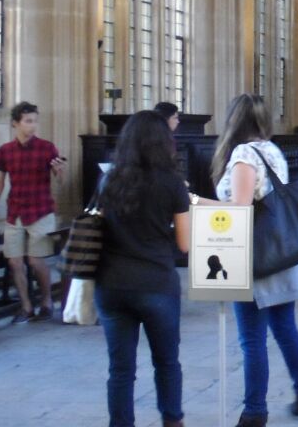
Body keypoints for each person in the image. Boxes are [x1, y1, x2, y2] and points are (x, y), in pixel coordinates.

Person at [211, 94, 298, 427]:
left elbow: (240, 209)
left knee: (252, 339)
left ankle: (255, 411)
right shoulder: (271, 149)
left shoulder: (244, 154)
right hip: (282, 251)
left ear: (234, 120)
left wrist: (198, 203)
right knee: (285, 328)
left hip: (257, 257)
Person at [95, 110, 190, 427]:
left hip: (112, 283)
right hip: (156, 283)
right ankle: (172, 421)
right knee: (166, 362)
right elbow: (184, 243)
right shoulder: (172, 182)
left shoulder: (109, 179)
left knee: (120, 369)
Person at [0, 101, 66, 323]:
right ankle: (26, 306)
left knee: (36, 261)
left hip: (41, 210)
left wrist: (59, 171)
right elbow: (0, 182)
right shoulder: (5, 151)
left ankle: (46, 301)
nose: (33, 125)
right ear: (15, 123)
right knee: (15, 262)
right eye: (28, 121)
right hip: (15, 211)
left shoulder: (47, 148)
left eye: (35, 121)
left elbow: (59, 180)